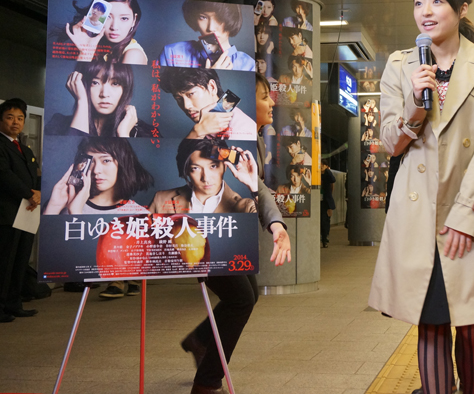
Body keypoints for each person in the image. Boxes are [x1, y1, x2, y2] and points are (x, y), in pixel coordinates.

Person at [368, 0, 474, 394]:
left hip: (473, 211)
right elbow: (391, 143)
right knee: (431, 322)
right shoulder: (399, 66)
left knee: (472, 324)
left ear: (461, 8)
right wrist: (416, 106)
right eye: (419, 2)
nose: (426, 11)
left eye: (437, 1)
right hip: (418, 215)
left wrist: (465, 216)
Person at [178, 84, 291, 394]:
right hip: (203, 232)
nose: (271, 103)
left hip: (229, 231)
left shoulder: (251, 138)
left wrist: (276, 225)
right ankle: (207, 382)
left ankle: (200, 339)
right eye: (265, 96)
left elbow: (256, 186)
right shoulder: (212, 130)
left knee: (246, 295)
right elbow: (183, 157)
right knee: (241, 299)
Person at [44, 138, 153, 298]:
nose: (96, 170)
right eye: (90, 161)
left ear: (123, 163)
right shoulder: (64, 204)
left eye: (106, 160)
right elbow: (49, 255)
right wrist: (58, 208)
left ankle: (126, 281)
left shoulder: (138, 213)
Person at [0, 99, 40, 322]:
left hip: (27, 213)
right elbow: (4, 174)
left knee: (20, 260)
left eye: (20, 118)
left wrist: (39, 193)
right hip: (6, 213)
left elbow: (35, 175)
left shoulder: (25, 149)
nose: (15, 122)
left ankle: (14, 303)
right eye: (10, 117)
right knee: (4, 262)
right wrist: (28, 193)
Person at [45, 61, 153, 138]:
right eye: (95, 83)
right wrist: (82, 101)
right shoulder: (58, 124)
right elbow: (69, 153)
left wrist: (123, 134)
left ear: (125, 88)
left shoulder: (146, 132)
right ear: (82, 85)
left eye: (115, 83)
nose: (104, 94)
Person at [148, 139, 258, 215]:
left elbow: (266, 230)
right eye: (195, 168)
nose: (205, 178)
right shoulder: (161, 199)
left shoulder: (246, 207)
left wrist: (254, 185)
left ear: (225, 166)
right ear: (187, 171)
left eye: (213, 166)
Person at [159, 67, 256, 141]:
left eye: (191, 94)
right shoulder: (205, 125)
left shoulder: (240, 130)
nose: (186, 106)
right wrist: (197, 132)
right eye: (179, 99)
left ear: (212, 87)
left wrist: (198, 131)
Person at [159, 0, 255, 71]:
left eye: (220, 18)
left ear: (231, 19)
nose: (211, 28)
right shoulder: (171, 53)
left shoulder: (248, 64)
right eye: (203, 17)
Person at [62, 0, 147, 64]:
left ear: (134, 20)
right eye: (107, 17)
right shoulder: (99, 45)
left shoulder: (134, 55)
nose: (114, 27)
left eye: (124, 18)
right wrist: (85, 52)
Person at [320, 159, 335, 248]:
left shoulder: (327, 175)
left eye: (323, 165)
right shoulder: (315, 174)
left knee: (325, 220)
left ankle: (325, 238)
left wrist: (327, 170)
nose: (321, 166)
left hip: (325, 201)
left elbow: (333, 180)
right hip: (317, 201)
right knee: (321, 220)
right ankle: (323, 237)